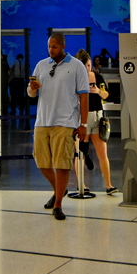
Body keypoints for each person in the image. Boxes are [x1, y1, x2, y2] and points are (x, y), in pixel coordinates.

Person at [27, 32, 88, 221]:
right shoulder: (41, 65)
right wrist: (31, 89)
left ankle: (58, 205)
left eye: (54, 47)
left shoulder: (76, 66)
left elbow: (84, 96)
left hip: (65, 122)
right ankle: (59, 190)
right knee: (41, 161)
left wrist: (83, 124)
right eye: (49, 47)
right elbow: (31, 93)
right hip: (43, 121)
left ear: (63, 46)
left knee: (62, 164)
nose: (51, 50)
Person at [75, 50, 118, 195]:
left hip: (98, 117)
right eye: (84, 66)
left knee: (103, 152)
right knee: (80, 153)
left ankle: (109, 185)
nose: (87, 69)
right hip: (82, 118)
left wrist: (98, 91)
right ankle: (82, 184)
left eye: (88, 65)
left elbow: (107, 95)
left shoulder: (97, 76)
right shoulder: (74, 79)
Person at [8, 53, 28, 128]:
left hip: (15, 80)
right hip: (21, 80)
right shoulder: (24, 63)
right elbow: (27, 71)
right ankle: (21, 109)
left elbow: (10, 70)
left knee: (13, 96)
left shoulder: (14, 62)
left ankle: (13, 110)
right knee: (21, 96)